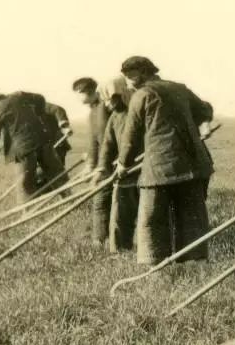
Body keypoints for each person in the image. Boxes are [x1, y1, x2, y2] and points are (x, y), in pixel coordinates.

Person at [115, 56, 214, 266]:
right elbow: (205, 109)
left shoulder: (141, 95)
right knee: (192, 215)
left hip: (160, 168)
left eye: (129, 77)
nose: (127, 83)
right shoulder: (180, 88)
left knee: (151, 218)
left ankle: (153, 266)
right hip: (193, 165)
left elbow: (130, 135)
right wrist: (204, 124)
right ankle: (194, 262)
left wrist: (123, 164)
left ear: (142, 72)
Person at [0, 87, 65, 203]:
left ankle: (27, 212)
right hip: (42, 140)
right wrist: (38, 114)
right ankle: (69, 199)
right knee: (55, 173)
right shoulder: (18, 96)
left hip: (23, 149)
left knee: (25, 183)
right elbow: (40, 98)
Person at [93, 77, 139, 254]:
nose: (106, 104)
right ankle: (120, 250)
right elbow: (107, 144)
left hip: (141, 170)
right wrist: (102, 168)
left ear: (120, 94)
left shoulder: (137, 111)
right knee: (120, 213)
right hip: (124, 172)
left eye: (108, 98)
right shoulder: (114, 117)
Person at [72, 76, 112, 245]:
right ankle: (102, 238)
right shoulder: (93, 111)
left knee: (101, 200)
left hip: (111, 161)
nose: (79, 98)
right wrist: (90, 162)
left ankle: (99, 240)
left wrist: (100, 166)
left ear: (91, 91)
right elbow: (94, 140)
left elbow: (106, 139)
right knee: (102, 200)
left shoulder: (104, 108)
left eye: (80, 93)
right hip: (103, 161)